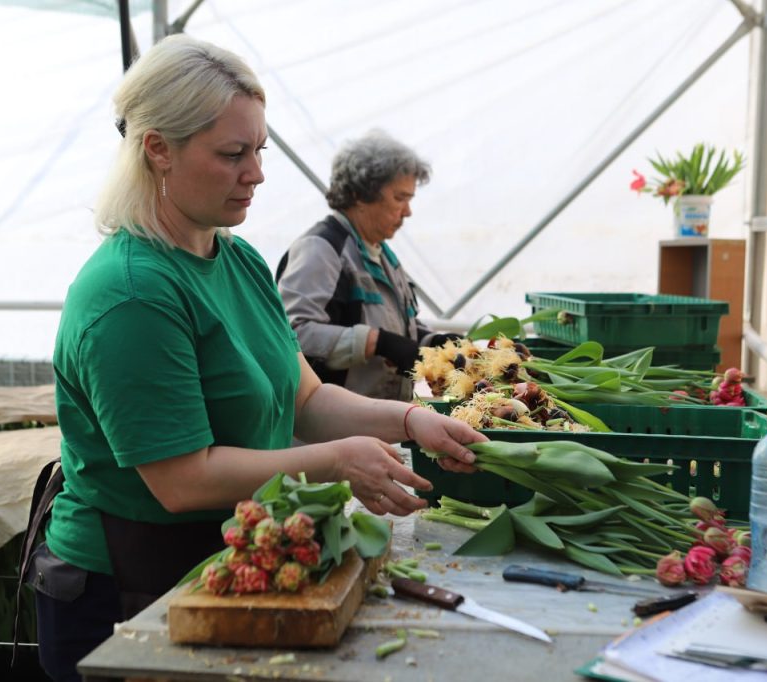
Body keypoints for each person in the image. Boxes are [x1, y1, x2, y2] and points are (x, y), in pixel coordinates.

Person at [31, 35, 482, 682]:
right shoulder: (131, 293)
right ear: (157, 148)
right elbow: (181, 479)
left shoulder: (235, 258)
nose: (258, 172)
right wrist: (334, 462)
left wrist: (411, 422)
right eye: (232, 154)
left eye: (260, 149)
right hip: (127, 590)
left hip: (221, 561)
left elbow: (308, 399)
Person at [276, 130, 459, 401]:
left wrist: (429, 343)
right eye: (399, 198)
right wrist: (376, 343)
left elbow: (392, 327)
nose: (407, 211)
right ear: (360, 194)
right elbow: (292, 334)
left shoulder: (380, 253)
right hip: (332, 432)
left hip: (377, 425)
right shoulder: (321, 249)